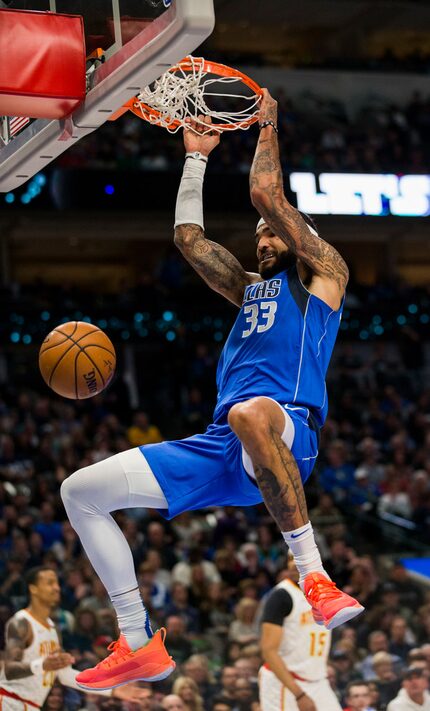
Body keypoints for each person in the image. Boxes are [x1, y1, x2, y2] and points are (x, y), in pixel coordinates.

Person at [60, 88, 363, 692]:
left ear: (299, 234)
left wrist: (268, 120)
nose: (264, 239)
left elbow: (264, 195)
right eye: (259, 235)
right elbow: (191, 242)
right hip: (224, 443)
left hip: (287, 431)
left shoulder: (326, 277)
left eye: (274, 234)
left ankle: (315, 576)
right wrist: (195, 156)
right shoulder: (251, 288)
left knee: (253, 412)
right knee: (81, 492)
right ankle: (137, 641)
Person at [0, 566, 150, 709]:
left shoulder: (52, 628)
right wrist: (43, 665)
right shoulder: (21, 622)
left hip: (32, 706)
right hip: (9, 702)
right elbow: (9, 670)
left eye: (57, 583)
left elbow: (65, 675)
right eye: (49, 583)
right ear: (33, 589)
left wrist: (110, 689)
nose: (56, 588)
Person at [259, 555, 342, 711]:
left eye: (298, 557)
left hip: (318, 680)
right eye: (290, 559)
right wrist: (299, 695)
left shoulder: (324, 590)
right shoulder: (281, 596)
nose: (293, 564)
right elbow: (268, 650)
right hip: (285, 683)